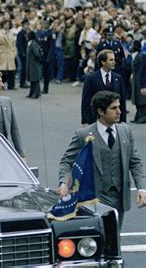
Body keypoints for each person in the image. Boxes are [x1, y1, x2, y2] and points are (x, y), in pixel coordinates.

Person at [58, 91, 146, 229]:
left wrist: (142, 188)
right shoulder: (83, 135)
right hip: (94, 198)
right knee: (97, 238)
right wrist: (64, 182)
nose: (119, 111)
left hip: (119, 197)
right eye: (113, 108)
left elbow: (135, 162)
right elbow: (67, 161)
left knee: (115, 238)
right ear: (100, 111)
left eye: (119, 107)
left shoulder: (125, 131)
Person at [81, 49, 127, 126]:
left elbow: (122, 101)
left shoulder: (118, 78)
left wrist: (123, 120)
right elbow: (86, 101)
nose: (114, 62)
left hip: (114, 121)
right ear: (103, 62)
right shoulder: (91, 78)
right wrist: (85, 121)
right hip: (96, 120)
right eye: (111, 60)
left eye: (114, 60)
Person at [0, 19, 17, 89]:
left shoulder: (11, 33)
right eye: (6, 24)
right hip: (1, 53)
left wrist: (14, 52)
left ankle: (11, 85)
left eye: (8, 24)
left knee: (11, 70)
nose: (7, 25)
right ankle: (0, 85)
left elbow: (13, 44)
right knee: (1, 71)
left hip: (10, 53)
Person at [131, 41, 146, 123]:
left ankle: (143, 116)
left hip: (140, 80)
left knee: (142, 99)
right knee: (137, 99)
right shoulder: (135, 55)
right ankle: (138, 116)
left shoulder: (140, 56)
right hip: (136, 79)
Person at [26, 31, 42, 98]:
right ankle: (32, 92)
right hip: (31, 64)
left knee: (35, 79)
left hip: (34, 64)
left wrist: (37, 61)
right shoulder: (30, 43)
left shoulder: (33, 44)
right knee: (32, 79)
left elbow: (37, 54)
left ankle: (36, 93)